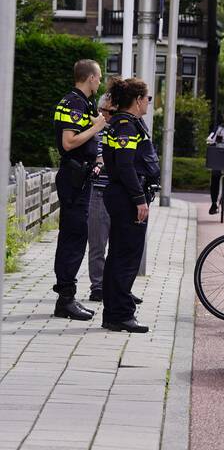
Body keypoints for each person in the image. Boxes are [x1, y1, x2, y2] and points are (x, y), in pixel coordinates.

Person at [101, 77, 160, 333]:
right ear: (137, 100)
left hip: (122, 195)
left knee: (117, 255)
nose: (148, 102)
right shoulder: (126, 126)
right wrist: (139, 200)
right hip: (127, 198)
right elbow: (125, 166)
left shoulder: (123, 123)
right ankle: (121, 315)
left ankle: (113, 313)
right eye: (147, 98)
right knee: (126, 258)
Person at [51, 59, 107, 321]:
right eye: (99, 77)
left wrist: (96, 158)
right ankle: (65, 299)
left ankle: (67, 297)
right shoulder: (74, 103)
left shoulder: (83, 103)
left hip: (81, 176)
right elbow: (69, 141)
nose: (100, 81)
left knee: (75, 235)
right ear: (91, 78)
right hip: (73, 178)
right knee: (73, 236)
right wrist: (96, 127)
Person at [86, 94, 144, 305]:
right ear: (101, 111)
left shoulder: (121, 128)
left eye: (113, 112)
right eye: (108, 112)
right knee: (98, 243)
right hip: (99, 192)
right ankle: (98, 286)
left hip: (117, 195)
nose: (110, 116)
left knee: (119, 245)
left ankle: (120, 289)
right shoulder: (94, 131)